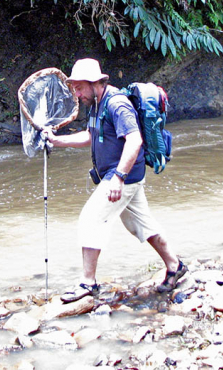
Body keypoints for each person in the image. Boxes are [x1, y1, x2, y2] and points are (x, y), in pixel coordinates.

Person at [43, 58, 187, 303]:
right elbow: (91, 135)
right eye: (74, 87)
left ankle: (88, 284)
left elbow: (134, 141)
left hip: (123, 175)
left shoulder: (117, 104)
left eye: (79, 87)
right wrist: (58, 141)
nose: (76, 93)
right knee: (141, 225)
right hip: (122, 174)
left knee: (90, 218)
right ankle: (175, 266)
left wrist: (118, 178)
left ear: (95, 83)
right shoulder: (96, 104)